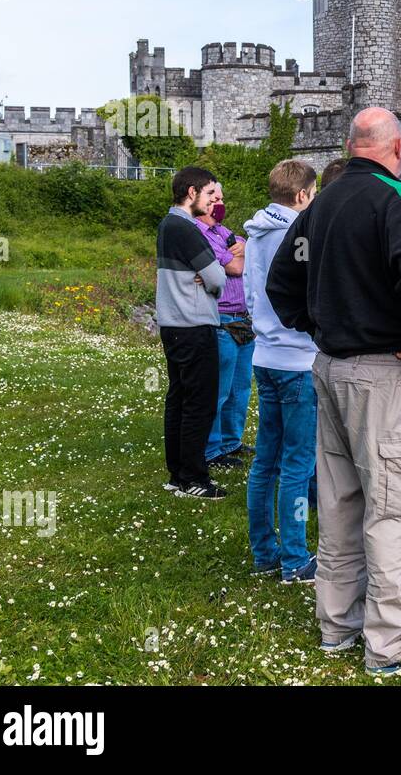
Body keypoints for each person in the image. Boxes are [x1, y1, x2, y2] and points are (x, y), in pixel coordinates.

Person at [267, 107, 401, 675]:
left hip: (328, 368)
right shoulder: (395, 199)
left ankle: (337, 626)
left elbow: (283, 282)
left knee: (341, 502)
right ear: (396, 148)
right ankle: (390, 644)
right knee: (397, 509)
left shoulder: (320, 202)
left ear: (352, 146)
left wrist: (323, 326)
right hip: (382, 373)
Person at [242, 160, 321, 584]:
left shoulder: (254, 233)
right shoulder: (301, 232)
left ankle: (264, 552)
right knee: (298, 463)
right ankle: (295, 559)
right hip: (297, 358)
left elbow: (252, 293)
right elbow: (310, 293)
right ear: (302, 196)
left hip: (265, 355)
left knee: (265, 462)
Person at [156, 167, 228, 500]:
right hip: (193, 324)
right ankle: (195, 479)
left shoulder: (167, 225)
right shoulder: (186, 229)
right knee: (199, 403)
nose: (215, 201)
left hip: (173, 324)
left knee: (180, 400)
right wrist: (206, 275)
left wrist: (202, 274)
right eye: (210, 193)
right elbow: (217, 279)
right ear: (191, 192)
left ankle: (178, 475)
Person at [196, 183, 254, 470]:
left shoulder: (226, 231)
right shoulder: (199, 234)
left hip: (243, 318)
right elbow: (236, 267)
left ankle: (232, 440)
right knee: (219, 389)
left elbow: (248, 256)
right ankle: (212, 449)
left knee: (241, 386)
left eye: (221, 196)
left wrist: (240, 253)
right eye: (214, 196)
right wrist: (238, 255)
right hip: (221, 318)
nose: (219, 201)